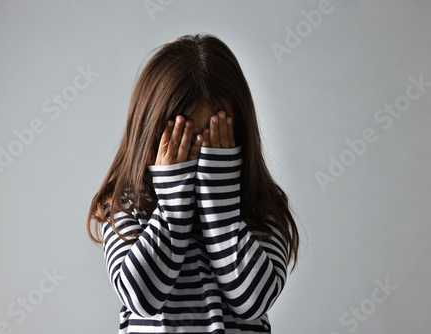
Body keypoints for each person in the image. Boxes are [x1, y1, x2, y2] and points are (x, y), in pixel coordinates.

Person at [87, 33, 300, 334]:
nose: (198, 154)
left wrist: (222, 206)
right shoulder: (125, 205)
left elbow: (254, 300)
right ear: (150, 134)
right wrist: (173, 204)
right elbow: (141, 298)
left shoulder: (260, 206)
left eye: (213, 136)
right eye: (182, 136)